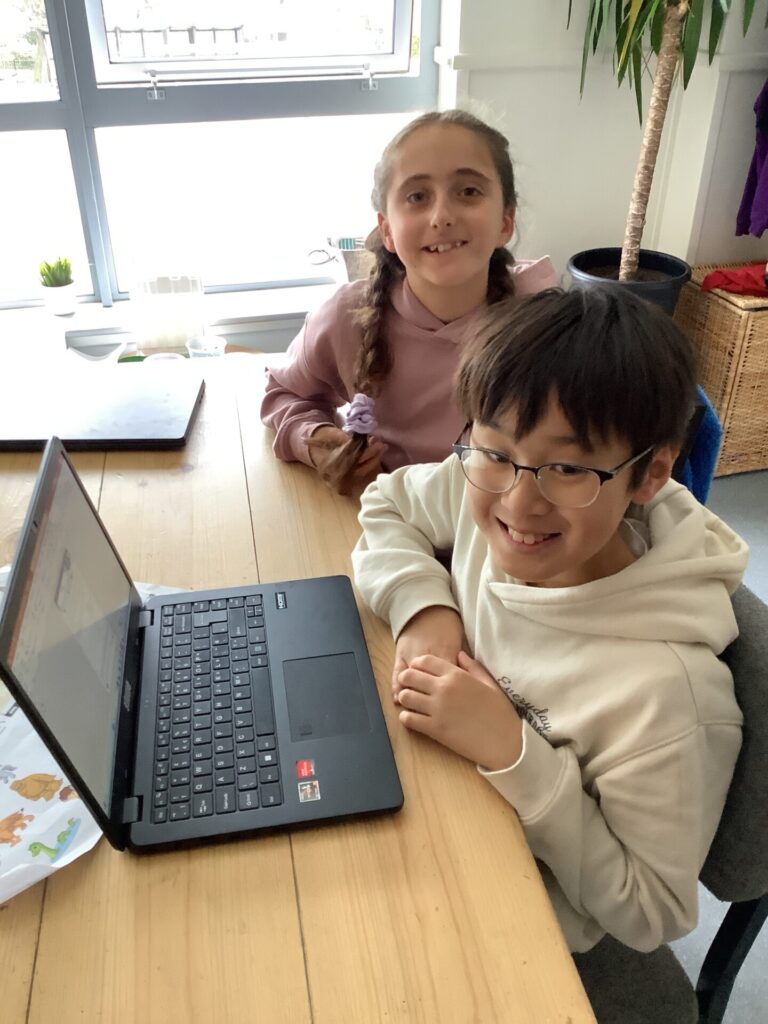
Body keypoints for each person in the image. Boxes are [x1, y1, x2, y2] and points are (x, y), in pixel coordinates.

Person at [351, 286, 749, 954]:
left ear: (649, 475)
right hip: (428, 803)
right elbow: (387, 503)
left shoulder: (668, 697)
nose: (519, 501)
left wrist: (513, 751)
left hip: (510, 923)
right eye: (494, 450)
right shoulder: (485, 490)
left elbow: (650, 912)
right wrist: (425, 609)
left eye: (566, 467)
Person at [260, 109, 558, 494]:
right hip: (379, 519)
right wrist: (316, 442)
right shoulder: (346, 317)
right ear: (387, 230)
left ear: (505, 220)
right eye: (417, 196)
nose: (441, 216)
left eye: (468, 191)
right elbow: (284, 393)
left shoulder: (549, 326)